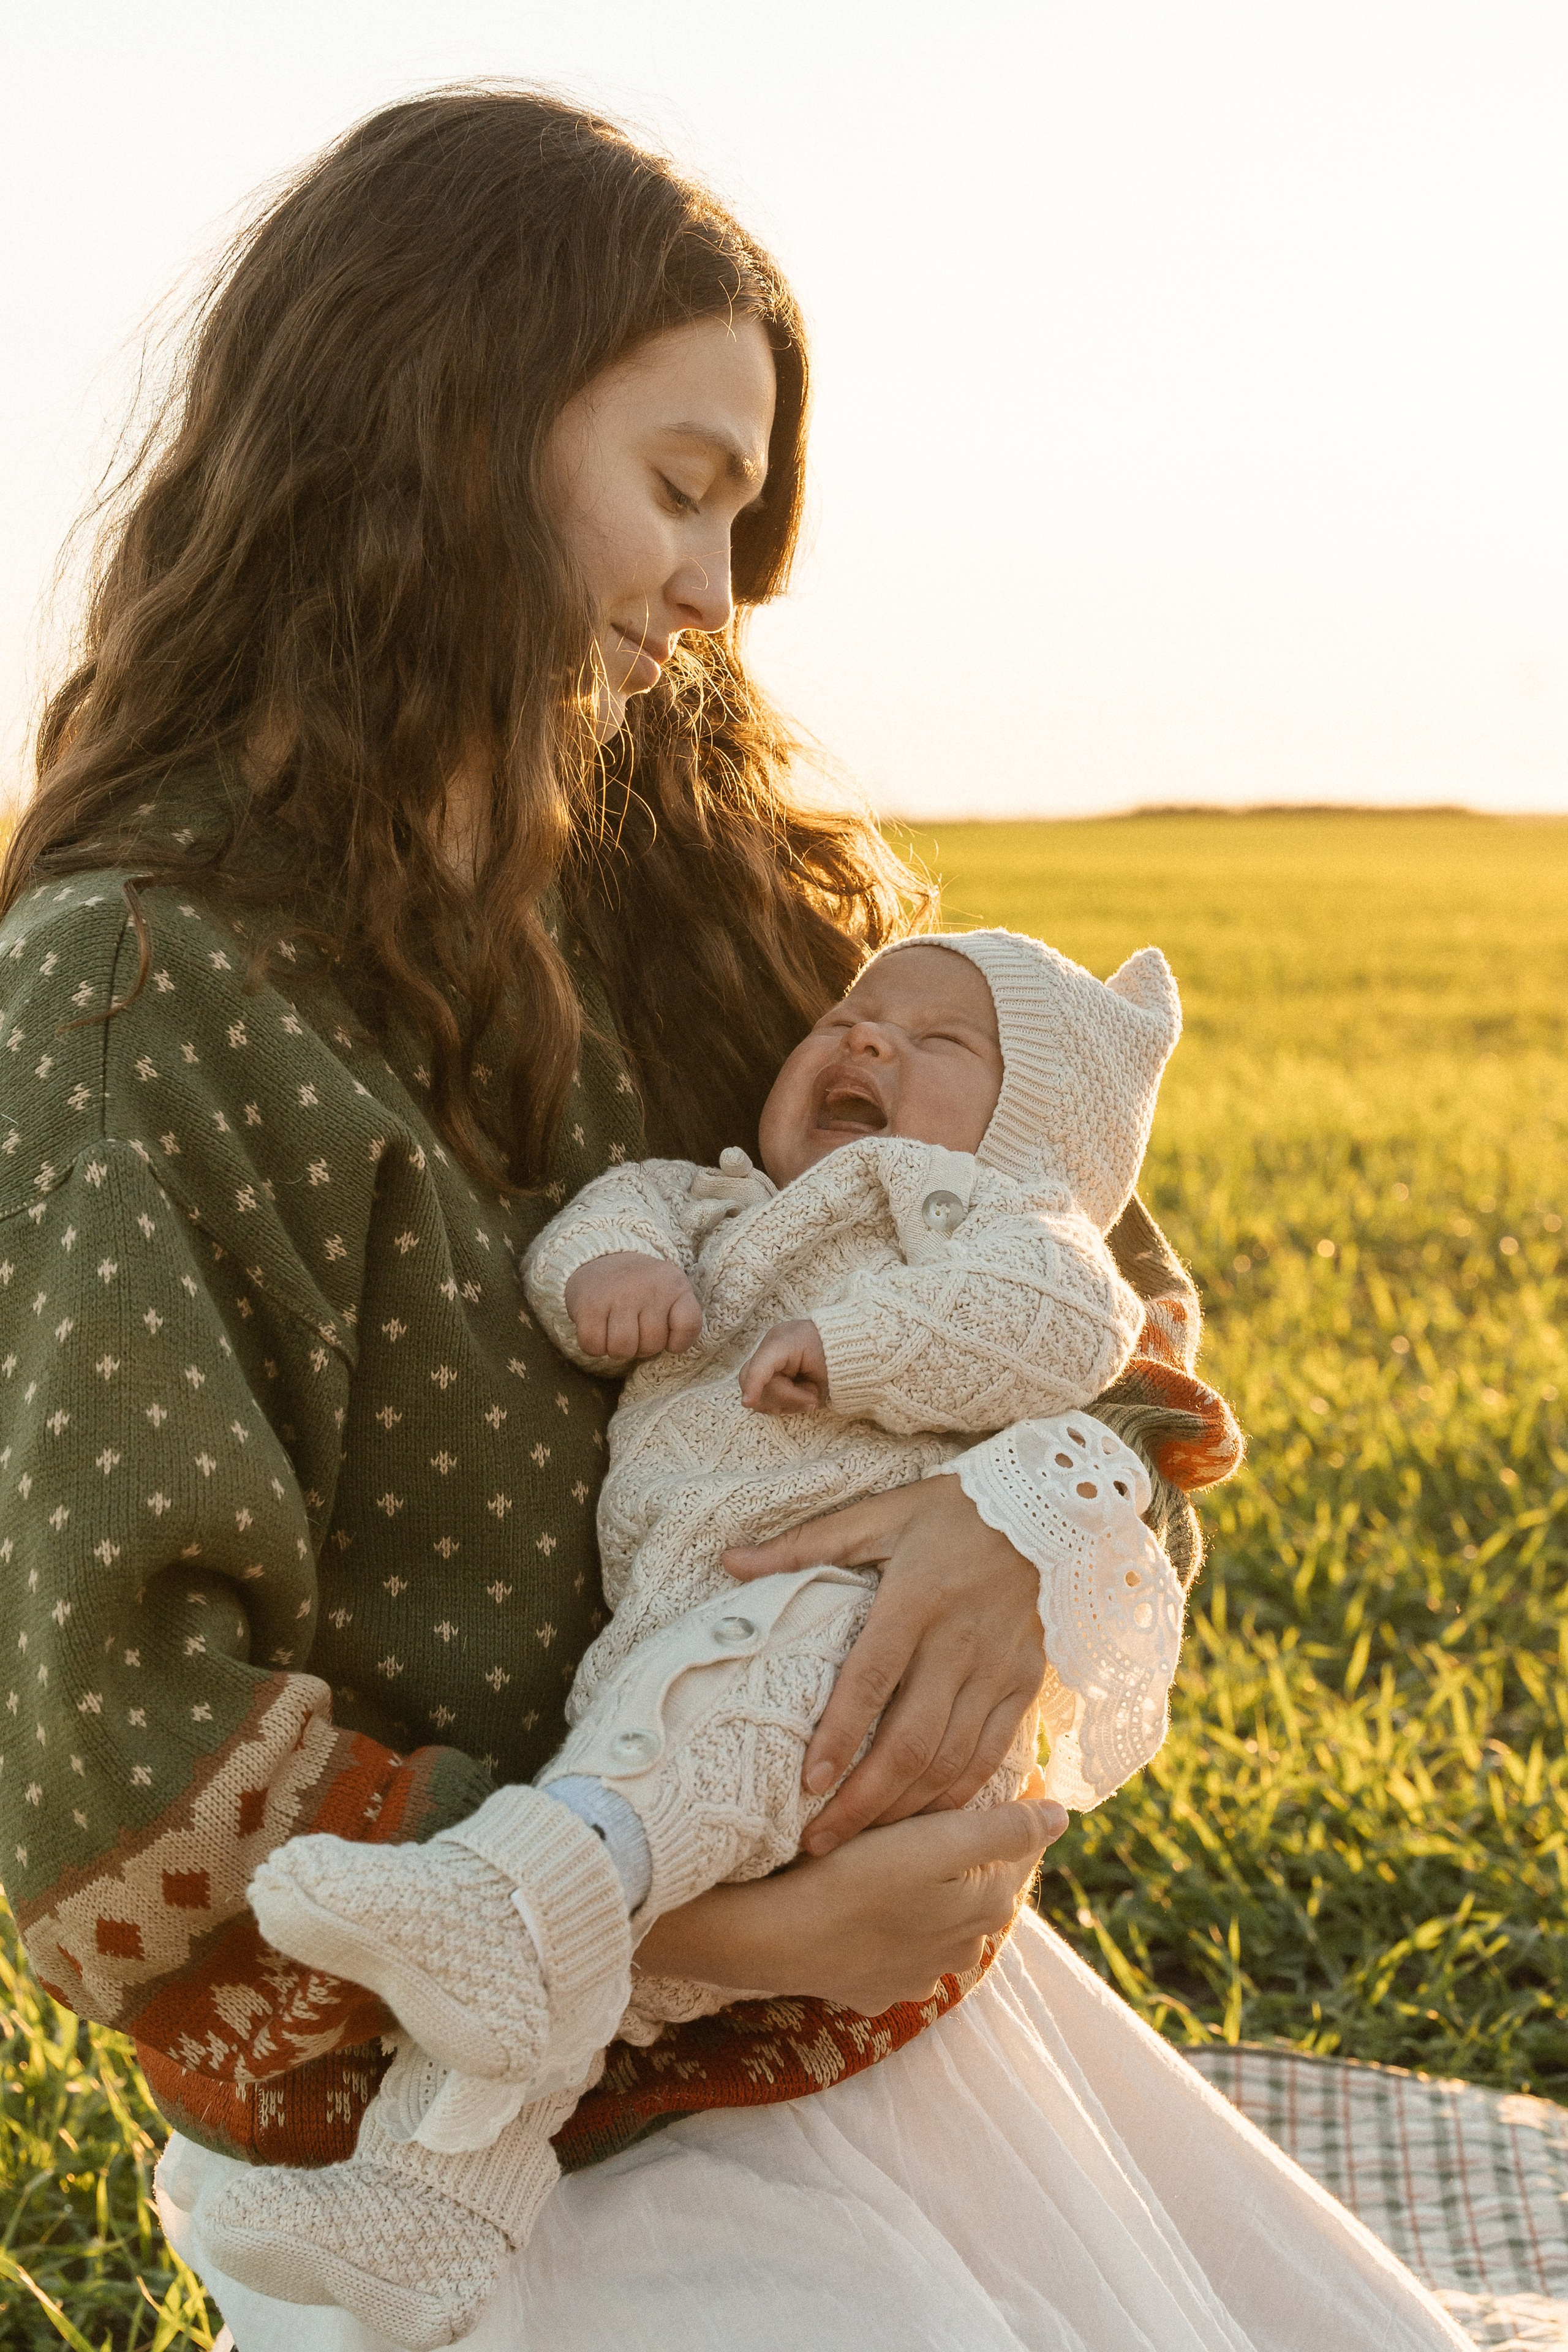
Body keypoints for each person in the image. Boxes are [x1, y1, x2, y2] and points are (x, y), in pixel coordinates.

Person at [0, 86, 1469, 2352]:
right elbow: (105, 1782)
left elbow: (1105, 1289)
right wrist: (714, 1931)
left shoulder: (700, 879)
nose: (710, 591)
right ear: (437, 428)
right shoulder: (132, 998)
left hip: (899, 2038)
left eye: (738, 516)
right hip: (465, 2151)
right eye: (678, 490)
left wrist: (1031, 1514)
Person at [192, 925, 1196, 2344]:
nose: (866, 1044)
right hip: (676, 1616)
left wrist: (868, 1347)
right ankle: (427, 2206)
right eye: (855, 1015)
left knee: (650, 1790)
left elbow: (1063, 1318)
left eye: (935, 1042)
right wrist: (604, 1279)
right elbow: (602, 1220)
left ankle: (507, 1904)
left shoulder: (971, 1210)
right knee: (606, 1951)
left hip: (840, 1617)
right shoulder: (710, 1197)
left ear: (1025, 1127)